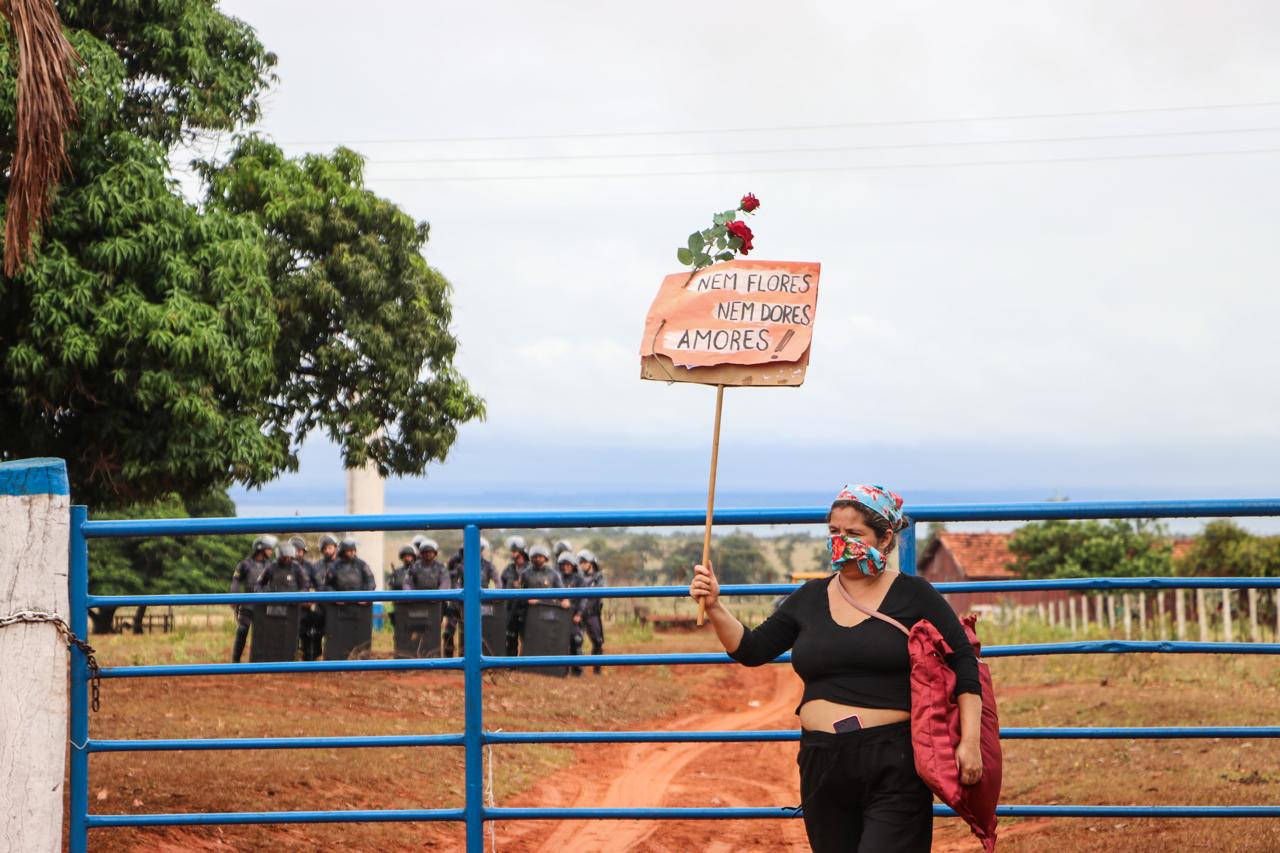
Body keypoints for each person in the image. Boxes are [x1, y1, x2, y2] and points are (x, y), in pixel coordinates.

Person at [689, 484, 983, 853]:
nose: (841, 542)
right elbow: (752, 649)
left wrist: (970, 743)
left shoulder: (915, 594)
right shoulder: (809, 598)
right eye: (834, 533)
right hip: (821, 761)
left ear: (886, 536)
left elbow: (964, 662)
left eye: (854, 534)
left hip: (894, 761)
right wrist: (715, 606)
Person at [229, 535, 276, 663]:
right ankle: (236, 659)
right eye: (269, 549)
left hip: (264, 603)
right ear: (260, 548)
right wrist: (234, 596)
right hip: (248, 603)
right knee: (243, 629)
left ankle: (261, 660)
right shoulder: (245, 564)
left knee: (264, 633)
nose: (271, 551)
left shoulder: (270, 565)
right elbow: (236, 580)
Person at [299, 534, 338, 661]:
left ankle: (334, 658)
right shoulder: (316, 566)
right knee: (316, 632)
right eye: (325, 548)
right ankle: (314, 657)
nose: (327, 550)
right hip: (321, 605)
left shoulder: (342, 564)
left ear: (335, 547)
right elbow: (311, 583)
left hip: (339, 605)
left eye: (330, 547)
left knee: (335, 633)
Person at [577, 549, 606, 674]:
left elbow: (599, 593)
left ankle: (597, 670)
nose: (582, 564)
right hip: (578, 613)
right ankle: (576, 669)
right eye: (581, 562)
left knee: (598, 641)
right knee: (576, 640)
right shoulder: (577, 576)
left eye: (584, 562)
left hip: (592, 613)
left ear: (591, 563)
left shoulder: (599, 577)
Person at [556, 552, 586, 675]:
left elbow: (584, 598)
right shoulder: (557, 578)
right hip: (559, 614)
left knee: (576, 640)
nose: (565, 567)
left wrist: (579, 613)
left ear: (573, 565)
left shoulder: (579, 579)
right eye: (563, 565)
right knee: (561, 641)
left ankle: (577, 670)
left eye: (568, 565)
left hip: (574, 614)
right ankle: (562, 670)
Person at [503, 536, 531, 655]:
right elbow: (502, 584)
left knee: (527, 637)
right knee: (510, 636)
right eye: (512, 551)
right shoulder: (509, 569)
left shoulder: (531, 569)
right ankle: (511, 663)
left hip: (526, 608)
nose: (512, 554)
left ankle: (525, 665)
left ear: (522, 552)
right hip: (511, 608)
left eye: (515, 551)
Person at [388, 545, 417, 628]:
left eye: (409, 556)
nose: (407, 558)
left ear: (413, 557)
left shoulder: (418, 570)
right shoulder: (397, 572)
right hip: (400, 604)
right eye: (405, 556)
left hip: (416, 605)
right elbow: (391, 587)